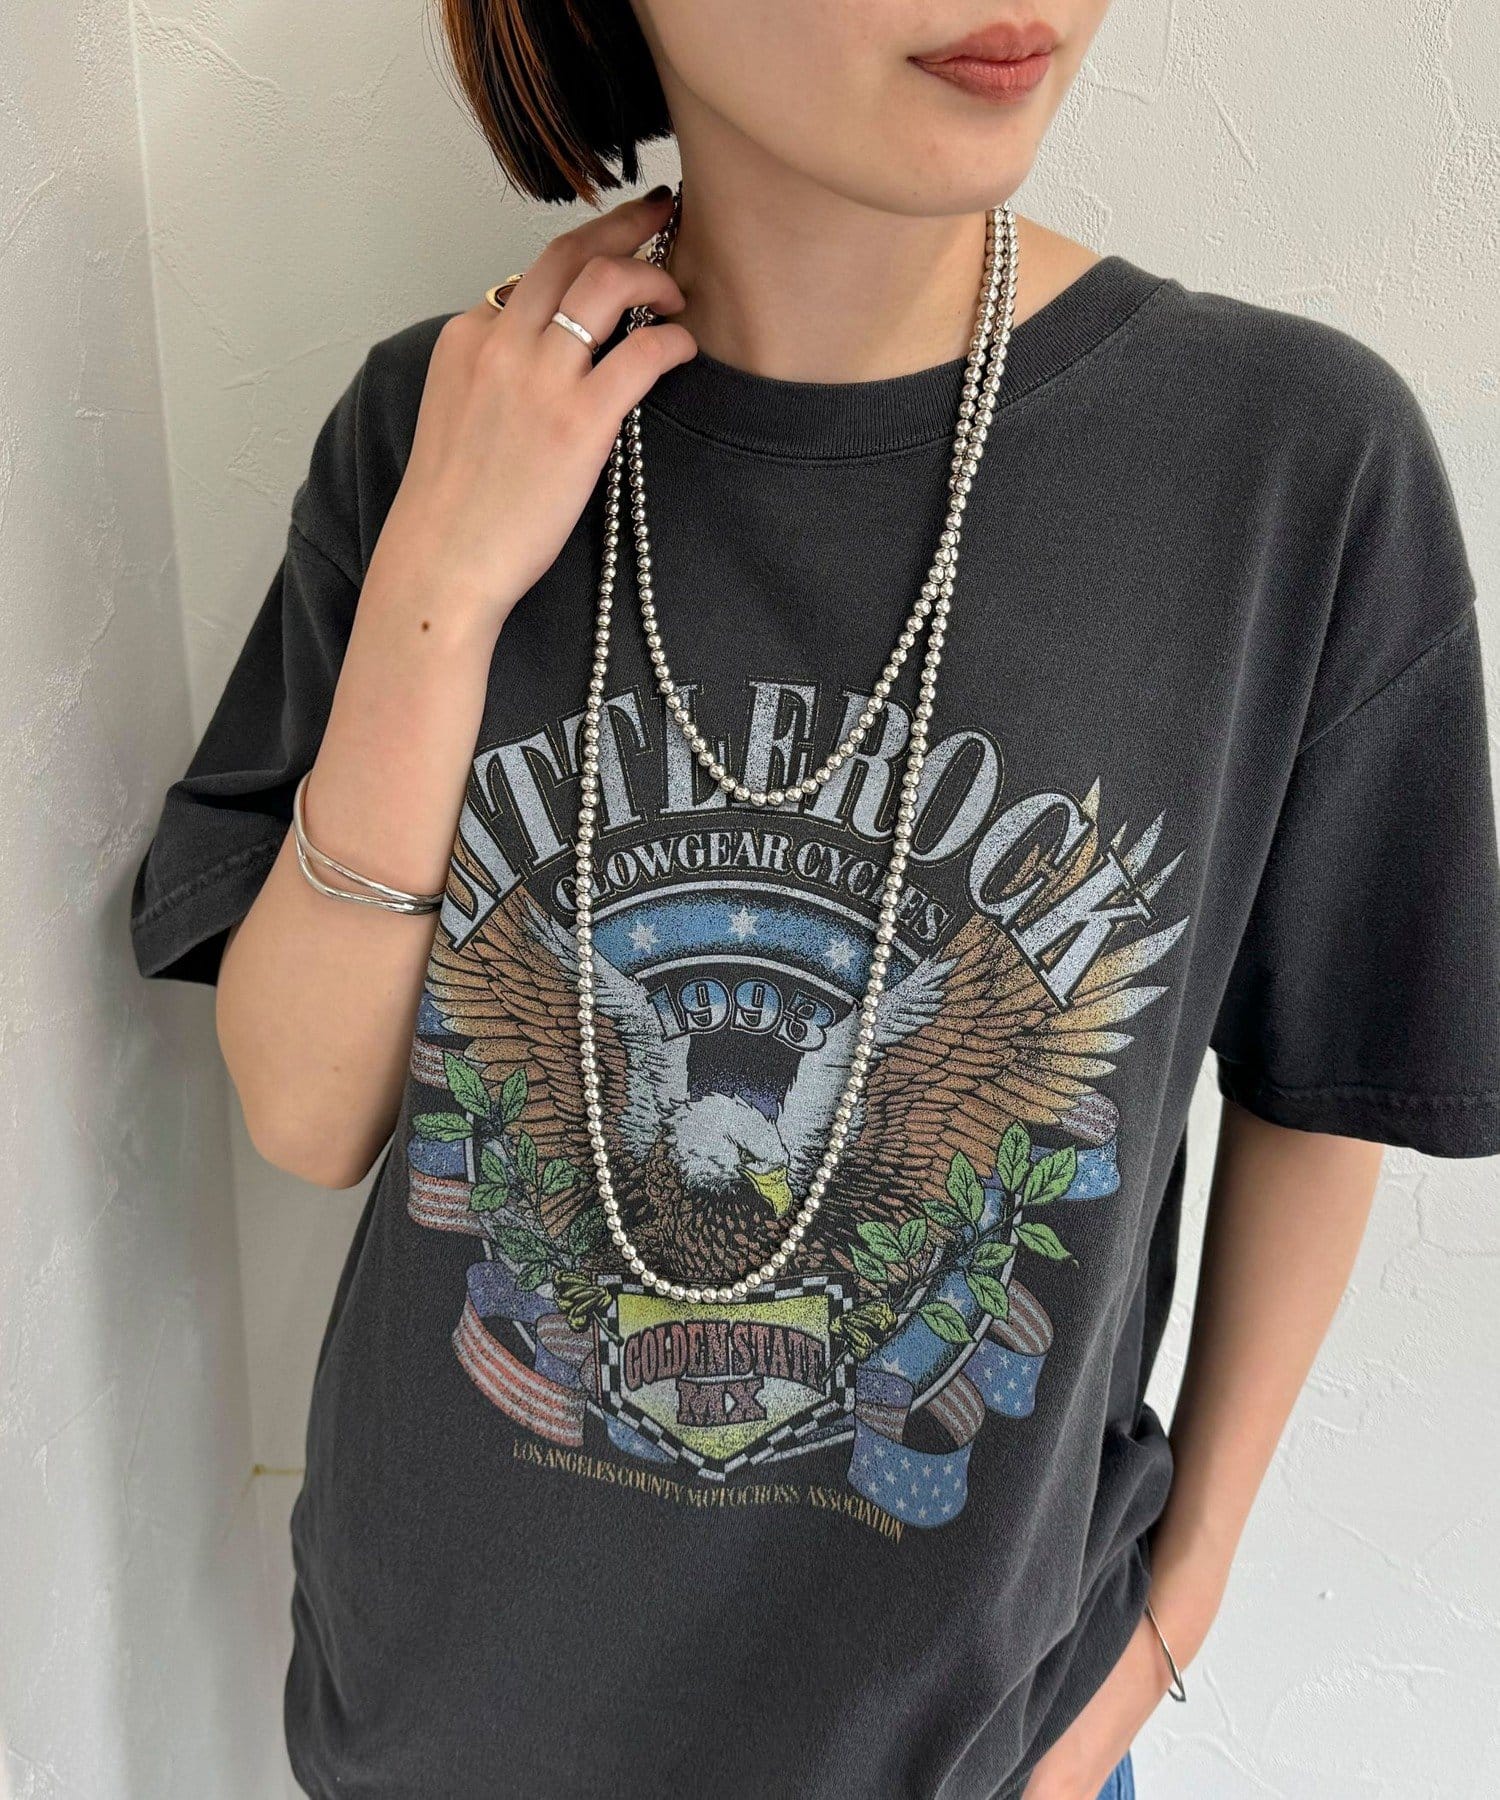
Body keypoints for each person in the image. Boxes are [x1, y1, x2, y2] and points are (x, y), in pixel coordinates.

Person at [127, 2, 1500, 1796]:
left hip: (973, 1749)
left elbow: (1334, 1077)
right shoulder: (436, 421)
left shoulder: (1286, 463)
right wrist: (442, 584)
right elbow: (310, 1112)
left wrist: (1179, 1606)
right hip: (447, 1727)